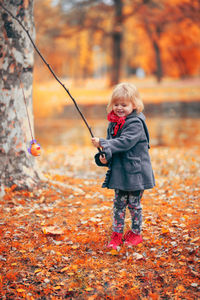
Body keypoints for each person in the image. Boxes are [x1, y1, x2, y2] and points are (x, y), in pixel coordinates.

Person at [91, 82, 155, 250]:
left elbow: (124, 142)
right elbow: (113, 147)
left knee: (134, 204)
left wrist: (104, 143)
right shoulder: (113, 123)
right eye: (116, 104)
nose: (119, 108)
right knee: (118, 204)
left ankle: (136, 233)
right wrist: (103, 157)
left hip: (135, 173)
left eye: (124, 104)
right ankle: (117, 234)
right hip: (120, 173)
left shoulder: (135, 123)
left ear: (134, 105)